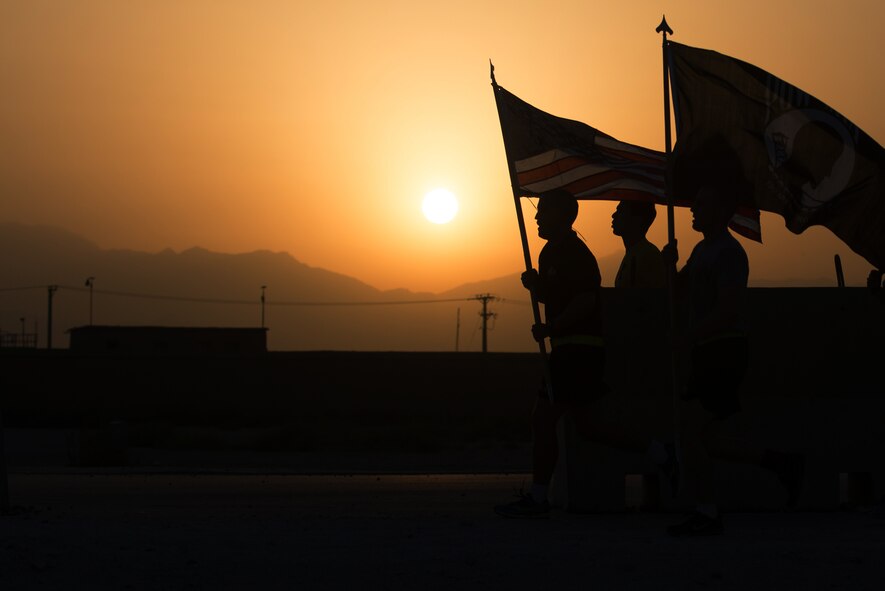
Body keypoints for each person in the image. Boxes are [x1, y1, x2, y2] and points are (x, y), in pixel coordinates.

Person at [494, 190, 671, 519]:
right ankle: (662, 454)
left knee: (542, 418)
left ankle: (538, 497)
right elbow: (559, 295)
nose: (536, 217)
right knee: (590, 427)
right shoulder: (550, 254)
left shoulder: (576, 254)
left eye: (543, 211)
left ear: (563, 215)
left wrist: (552, 328)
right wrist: (537, 289)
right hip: (569, 348)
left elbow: (586, 301)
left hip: (578, 349)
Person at [662, 183, 805, 537]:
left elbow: (728, 311)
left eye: (702, 202)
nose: (693, 208)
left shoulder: (728, 253)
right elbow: (678, 290)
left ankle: (707, 512)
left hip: (723, 350)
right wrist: (670, 266)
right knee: (705, 438)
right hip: (707, 351)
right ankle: (779, 463)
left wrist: (688, 338)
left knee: (693, 432)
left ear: (723, 211)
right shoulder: (701, 250)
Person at [611, 200, 665, 289]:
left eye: (620, 211)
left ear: (637, 219)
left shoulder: (648, 255)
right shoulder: (633, 252)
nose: (613, 215)